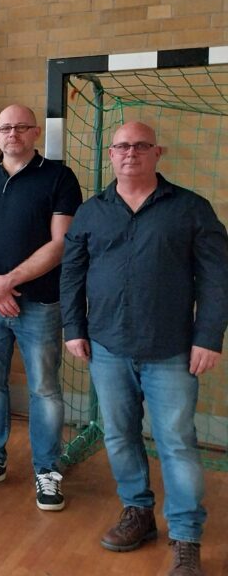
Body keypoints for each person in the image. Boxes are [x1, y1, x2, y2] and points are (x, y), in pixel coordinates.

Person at [62, 121, 228, 576]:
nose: (130, 153)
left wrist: (208, 336)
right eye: (122, 147)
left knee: (176, 443)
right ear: (111, 155)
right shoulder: (92, 212)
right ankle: (138, 512)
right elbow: (72, 273)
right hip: (107, 347)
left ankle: (186, 536)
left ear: (158, 153)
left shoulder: (191, 209)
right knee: (119, 435)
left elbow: (216, 279)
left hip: (172, 350)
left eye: (140, 146)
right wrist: (74, 327)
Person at [0, 104, 81, 512]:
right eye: (5, 127)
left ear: (35, 132)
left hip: (39, 304)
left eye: (21, 127)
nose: (13, 134)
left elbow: (61, 243)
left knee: (44, 388)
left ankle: (47, 470)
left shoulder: (59, 177)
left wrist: (8, 281)